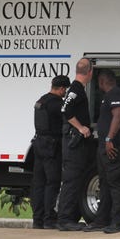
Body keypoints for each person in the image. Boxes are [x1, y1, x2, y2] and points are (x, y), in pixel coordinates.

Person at [83, 69, 120, 234]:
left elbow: (118, 115)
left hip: (114, 146)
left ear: (103, 81)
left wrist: (109, 139)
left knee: (116, 184)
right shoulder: (110, 96)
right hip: (104, 146)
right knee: (104, 183)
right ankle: (101, 220)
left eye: (99, 82)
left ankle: (118, 222)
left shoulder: (115, 94)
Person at [57, 58, 93, 231]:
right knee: (71, 179)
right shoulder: (76, 89)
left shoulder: (75, 89)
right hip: (73, 143)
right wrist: (81, 128)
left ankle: (67, 217)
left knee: (73, 179)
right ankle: (65, 219)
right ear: (90, 72)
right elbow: (66, 110)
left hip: (72, 142)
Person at [31, 75, 71, 229]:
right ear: (61, 88)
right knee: (52, 182)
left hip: (38, 143)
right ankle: (49, 219)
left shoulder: (40, 100)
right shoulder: (57, 104)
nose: (65, 92)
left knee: (38, 183)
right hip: (51, 146)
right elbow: (66, 121)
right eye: (65, 90)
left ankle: (37, 219)